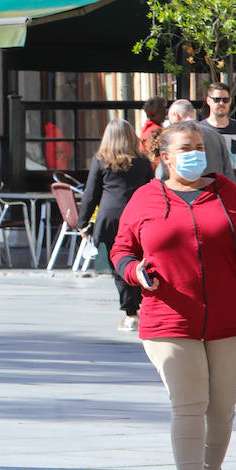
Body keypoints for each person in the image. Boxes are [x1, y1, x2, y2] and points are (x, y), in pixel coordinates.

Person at [112, 120, 236, 470]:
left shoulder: (228, 192)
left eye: (199, 146)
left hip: (232, 317)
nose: (195, 154)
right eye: (185, 148)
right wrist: (136, 272)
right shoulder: (145, 199)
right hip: (169, 317)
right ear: (164, 157)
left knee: (221, 407)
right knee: (189, 403)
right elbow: (121, 251)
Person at [77, 118, 154, 331]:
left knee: (119, 266)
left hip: (110, 219)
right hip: (138, 217)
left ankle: (131, 313)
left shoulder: (101, 160)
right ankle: (143, 306)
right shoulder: (143, 162)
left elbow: (91, 193)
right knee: (142, 261)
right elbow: (152, 190)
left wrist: (83, 223)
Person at [165, 99, 236, 183]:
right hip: (216, 192)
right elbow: (228, 171)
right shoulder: (217, 136)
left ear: (175, 115)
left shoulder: (172, 138)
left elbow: (163, 174)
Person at [200, 81, 236, 183]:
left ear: (230, 101)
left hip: (232, 188)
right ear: (208, 101)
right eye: (217, 99)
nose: (221, 103)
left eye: (225, 99)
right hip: (207, 188)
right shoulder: (199, 129)